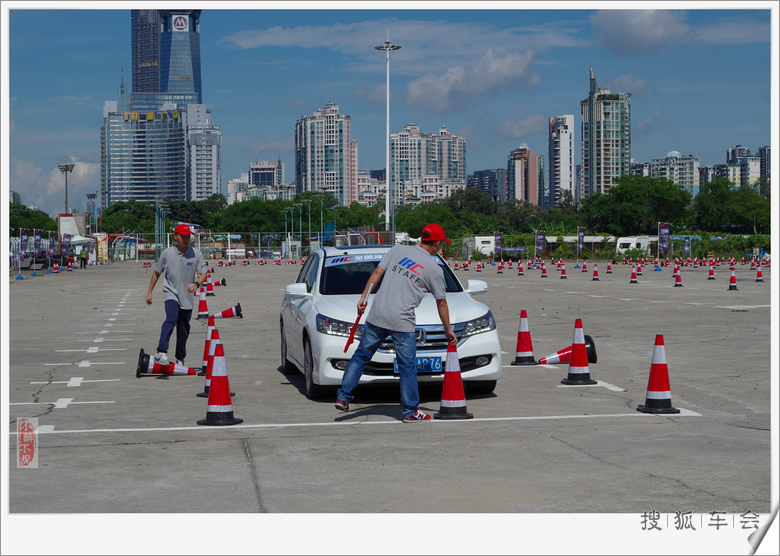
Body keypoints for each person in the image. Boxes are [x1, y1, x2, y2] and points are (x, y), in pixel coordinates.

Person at [335, 223, 457, 422]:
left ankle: (343, 397)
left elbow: (376, 274)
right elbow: (441, 302)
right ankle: (410, 412)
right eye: (442, 243)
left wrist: (363, 298)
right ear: (437, 243)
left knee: (361, 356)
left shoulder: (398, 250)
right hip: (401, 322)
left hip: (378, 315)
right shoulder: (434, 269)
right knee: (407, 366)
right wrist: (448, 329)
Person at [145, 224, 206, 367]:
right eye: (183, 236)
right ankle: (160, 352)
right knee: (171, 318)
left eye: (188, 236)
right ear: (175, 236)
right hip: (170, 292)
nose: (186, 239)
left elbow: (203, 273)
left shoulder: (196, 254)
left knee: (184, 328)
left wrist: (197, 284)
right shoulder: (167, 253)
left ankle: (180, 357)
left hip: (187, 296)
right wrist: (150, 292)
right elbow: (157, 272)